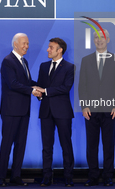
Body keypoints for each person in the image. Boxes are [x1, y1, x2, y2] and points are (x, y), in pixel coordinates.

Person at [78, 29, 115, 187]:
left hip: (110, 110)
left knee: (108, 144)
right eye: (96, 38)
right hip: (91, 110)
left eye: (102, 38)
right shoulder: (86, 60)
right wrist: (84, 106)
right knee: (91, 145)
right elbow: (82, 86)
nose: (99, 40)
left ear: (108, 40)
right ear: (93, 40)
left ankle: (108, 176)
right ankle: (93, 175)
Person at [0, 33, 41, 187]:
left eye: (28, 44)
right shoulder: (8, 61)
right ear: (15, 44)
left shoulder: (24, 62)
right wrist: (32, 90)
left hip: (24, 110)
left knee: (20, 144)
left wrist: (40, 87)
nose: (26, 47)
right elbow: (13, 84)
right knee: (7, 144)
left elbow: (27, 82)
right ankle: (1, 177)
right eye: (24, 43)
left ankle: (16, 176)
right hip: (10, 111)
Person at [35, 38, 75, 187]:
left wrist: (45, 91)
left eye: (51, 47)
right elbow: (40, 86)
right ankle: (46, 176)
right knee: (46, 146)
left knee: (66, 145)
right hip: (46, 111)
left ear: (60, 50)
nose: (48, 50)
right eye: (48, 47)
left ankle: (68, 176)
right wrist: (38, 93)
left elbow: (66, 88)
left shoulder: (69, 67)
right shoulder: (43, 66)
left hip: (63, 111)